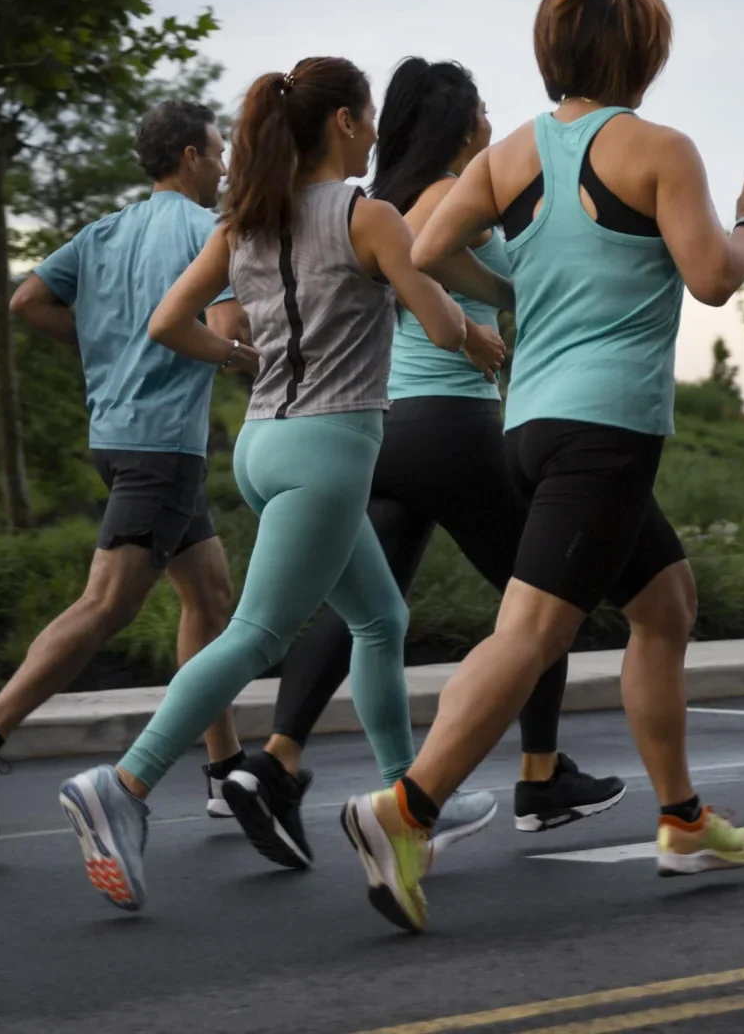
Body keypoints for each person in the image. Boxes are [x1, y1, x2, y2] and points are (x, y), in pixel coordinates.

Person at [339, 0, 744, 932]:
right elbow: (711, 278)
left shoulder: (509, 157)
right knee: (533, 633)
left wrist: (509, 295)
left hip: (531, 424)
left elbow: (420, 248)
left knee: (665, 605)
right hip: (606, 432)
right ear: (645, 52)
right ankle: (403, 812)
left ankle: (680, 819)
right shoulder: (661, 150)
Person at [57, 57, 496, 912]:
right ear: (342, 123)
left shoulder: (245, 220)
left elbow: (166, 323)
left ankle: (411, 795)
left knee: (380, 616)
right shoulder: (366, 216)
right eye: (367, 117)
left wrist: (241, 357)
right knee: (257, 635)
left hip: (262, 445)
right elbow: (439, 319)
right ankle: (124, 785)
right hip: (330, 449)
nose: (375, 131)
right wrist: (482, 340)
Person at [230, 57, 625, 869]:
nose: (488, 123)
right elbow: (503, 281)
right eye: (480, 111)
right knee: (544, 596)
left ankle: (278, 759)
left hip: (386, 432)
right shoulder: (449, 200)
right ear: (460, 124)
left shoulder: (387, 200)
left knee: (364, 610)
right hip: (452, 427)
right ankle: (540, 776)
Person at [0, 101, 246, 840]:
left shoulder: (106, 231)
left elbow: (27, 299)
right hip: (162, 445)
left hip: (116, 437)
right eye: (218, 152)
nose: (225, 165)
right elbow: (228, 332)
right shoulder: (208, 233)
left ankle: (226, 771)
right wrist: (245, 351)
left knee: (209, 592)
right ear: (192, 157)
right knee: (108, 604)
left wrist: (104, 346)